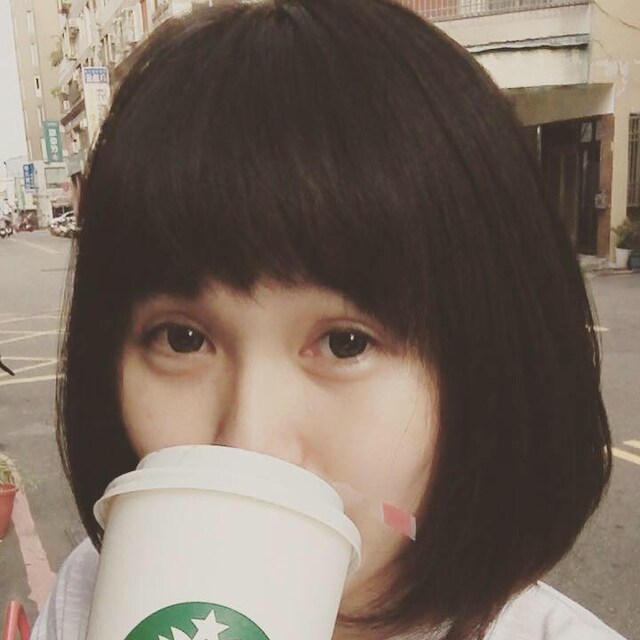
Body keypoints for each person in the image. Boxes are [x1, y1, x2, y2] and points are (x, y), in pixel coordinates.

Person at [32, 0, 625, 639]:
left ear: (479, 371)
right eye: (183, 339)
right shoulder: (93, 594)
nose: (250, 445)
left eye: (345, 343)